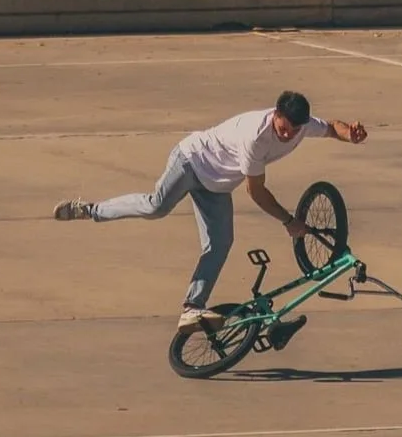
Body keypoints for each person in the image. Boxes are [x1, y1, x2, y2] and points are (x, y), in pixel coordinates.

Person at [56, 91, 368, 331]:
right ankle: (91, 210)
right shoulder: (255, 137)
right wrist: (288, 221)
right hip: (190, 162)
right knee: (155, 207)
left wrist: (349, 135)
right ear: (275, 115)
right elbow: (255, 191)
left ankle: (192, 307)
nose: (288, 135)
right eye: (284, 128)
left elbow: (330, 128)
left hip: (216, 186)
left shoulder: (300, 127)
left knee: (220, 244)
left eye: (294, 130)